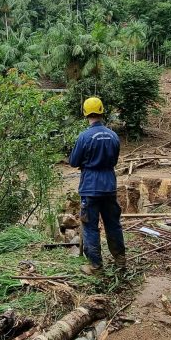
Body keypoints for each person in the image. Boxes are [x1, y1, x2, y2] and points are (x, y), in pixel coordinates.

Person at [68, 97, 126, 275]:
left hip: (90, 186)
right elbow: (114, 160)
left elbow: (74, 161)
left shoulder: (84, 137)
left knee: (90, 226)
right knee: (113, 224)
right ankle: (120, 261)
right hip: (109, 185)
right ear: (102, 111)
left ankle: (96, 267)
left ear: (85, 113)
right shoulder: (113, 135)